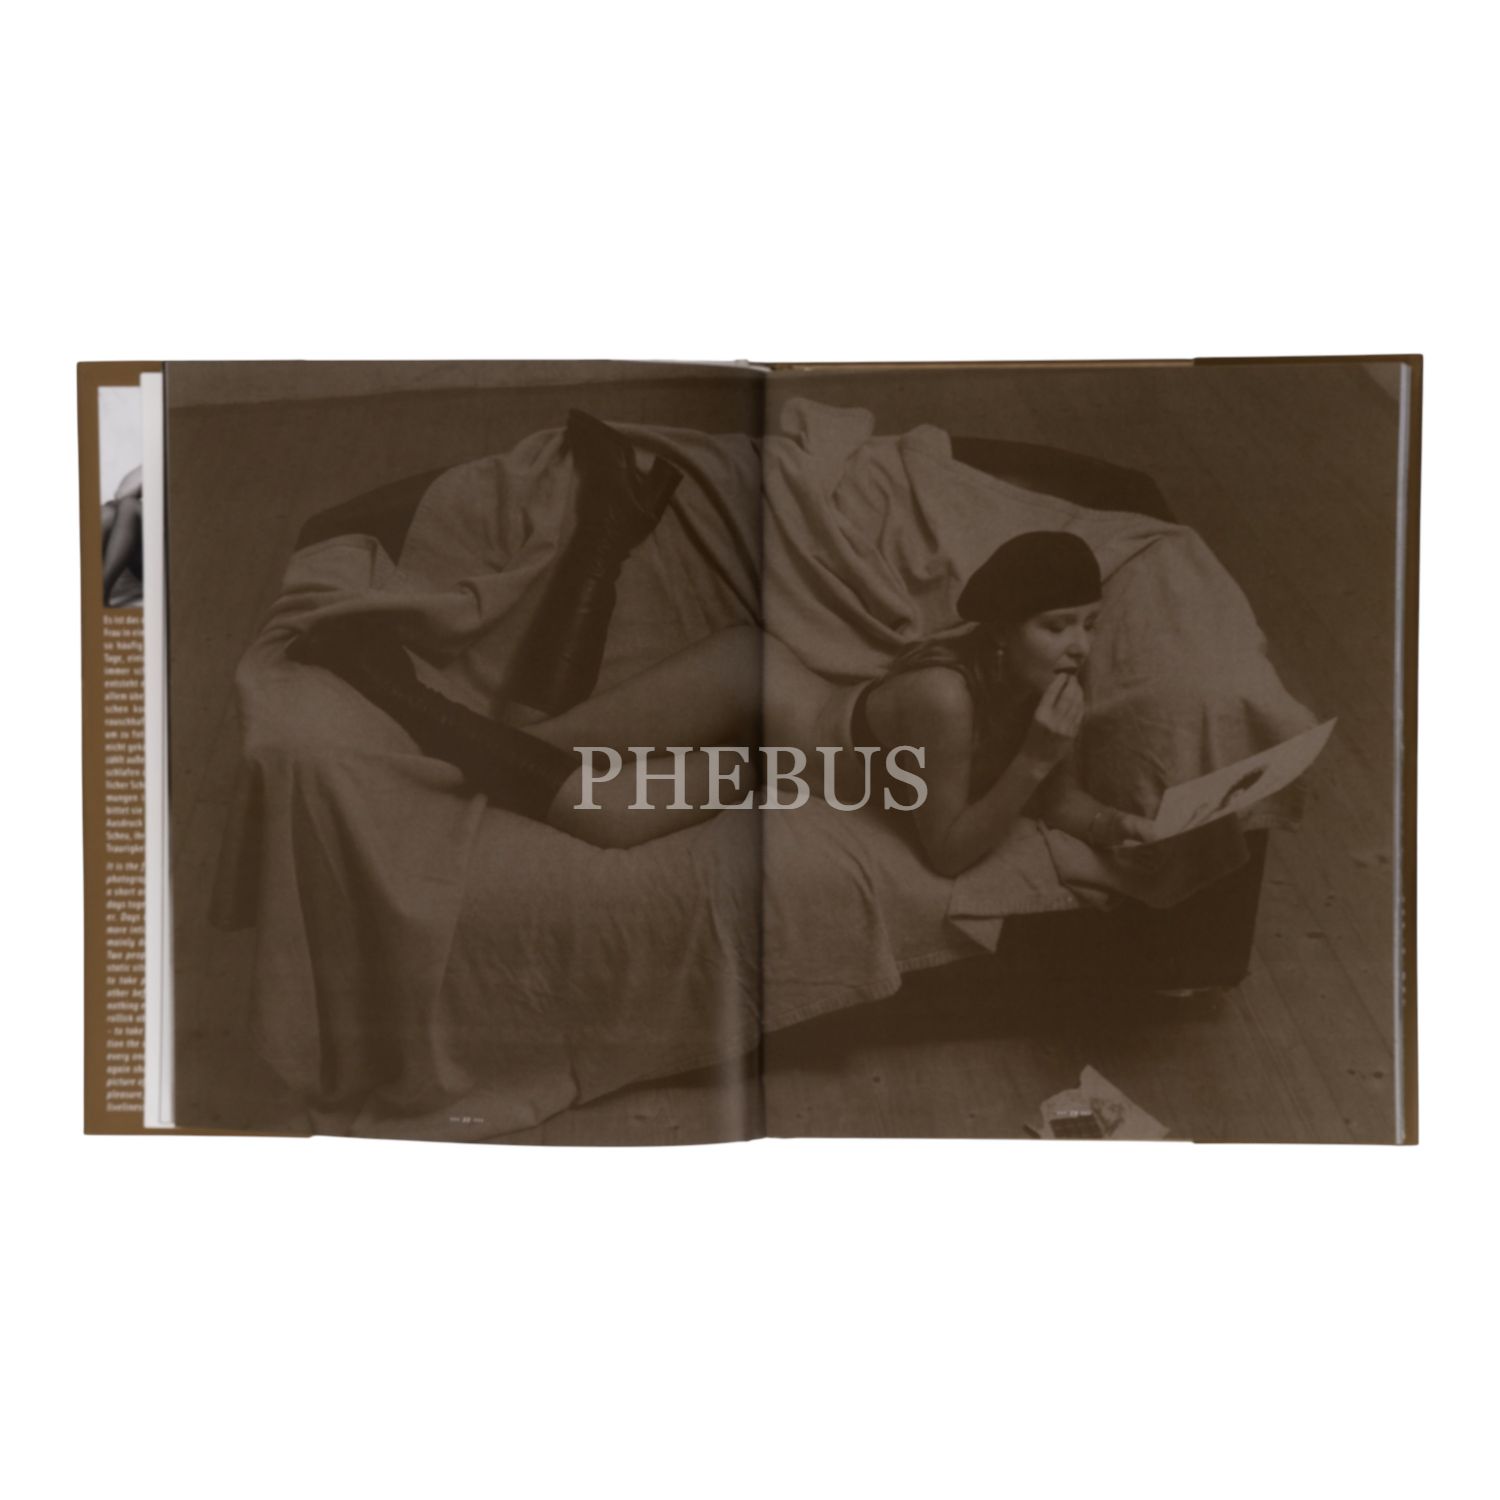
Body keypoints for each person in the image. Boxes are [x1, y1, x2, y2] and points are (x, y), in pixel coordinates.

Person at [298, 412, 1154, 873]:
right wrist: (1036, 760)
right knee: (551, 762)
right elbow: (947, 853)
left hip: (762, 757)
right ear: (1001, 632)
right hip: (754, 692)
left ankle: (610, 521)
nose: (1079, 646)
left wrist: (1116, 824)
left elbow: (1058, 800)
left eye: (1087, 623)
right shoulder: (944, 697)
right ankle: (382, 679)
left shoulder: (1042, 690)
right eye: (1056, 625)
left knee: (591, 804)